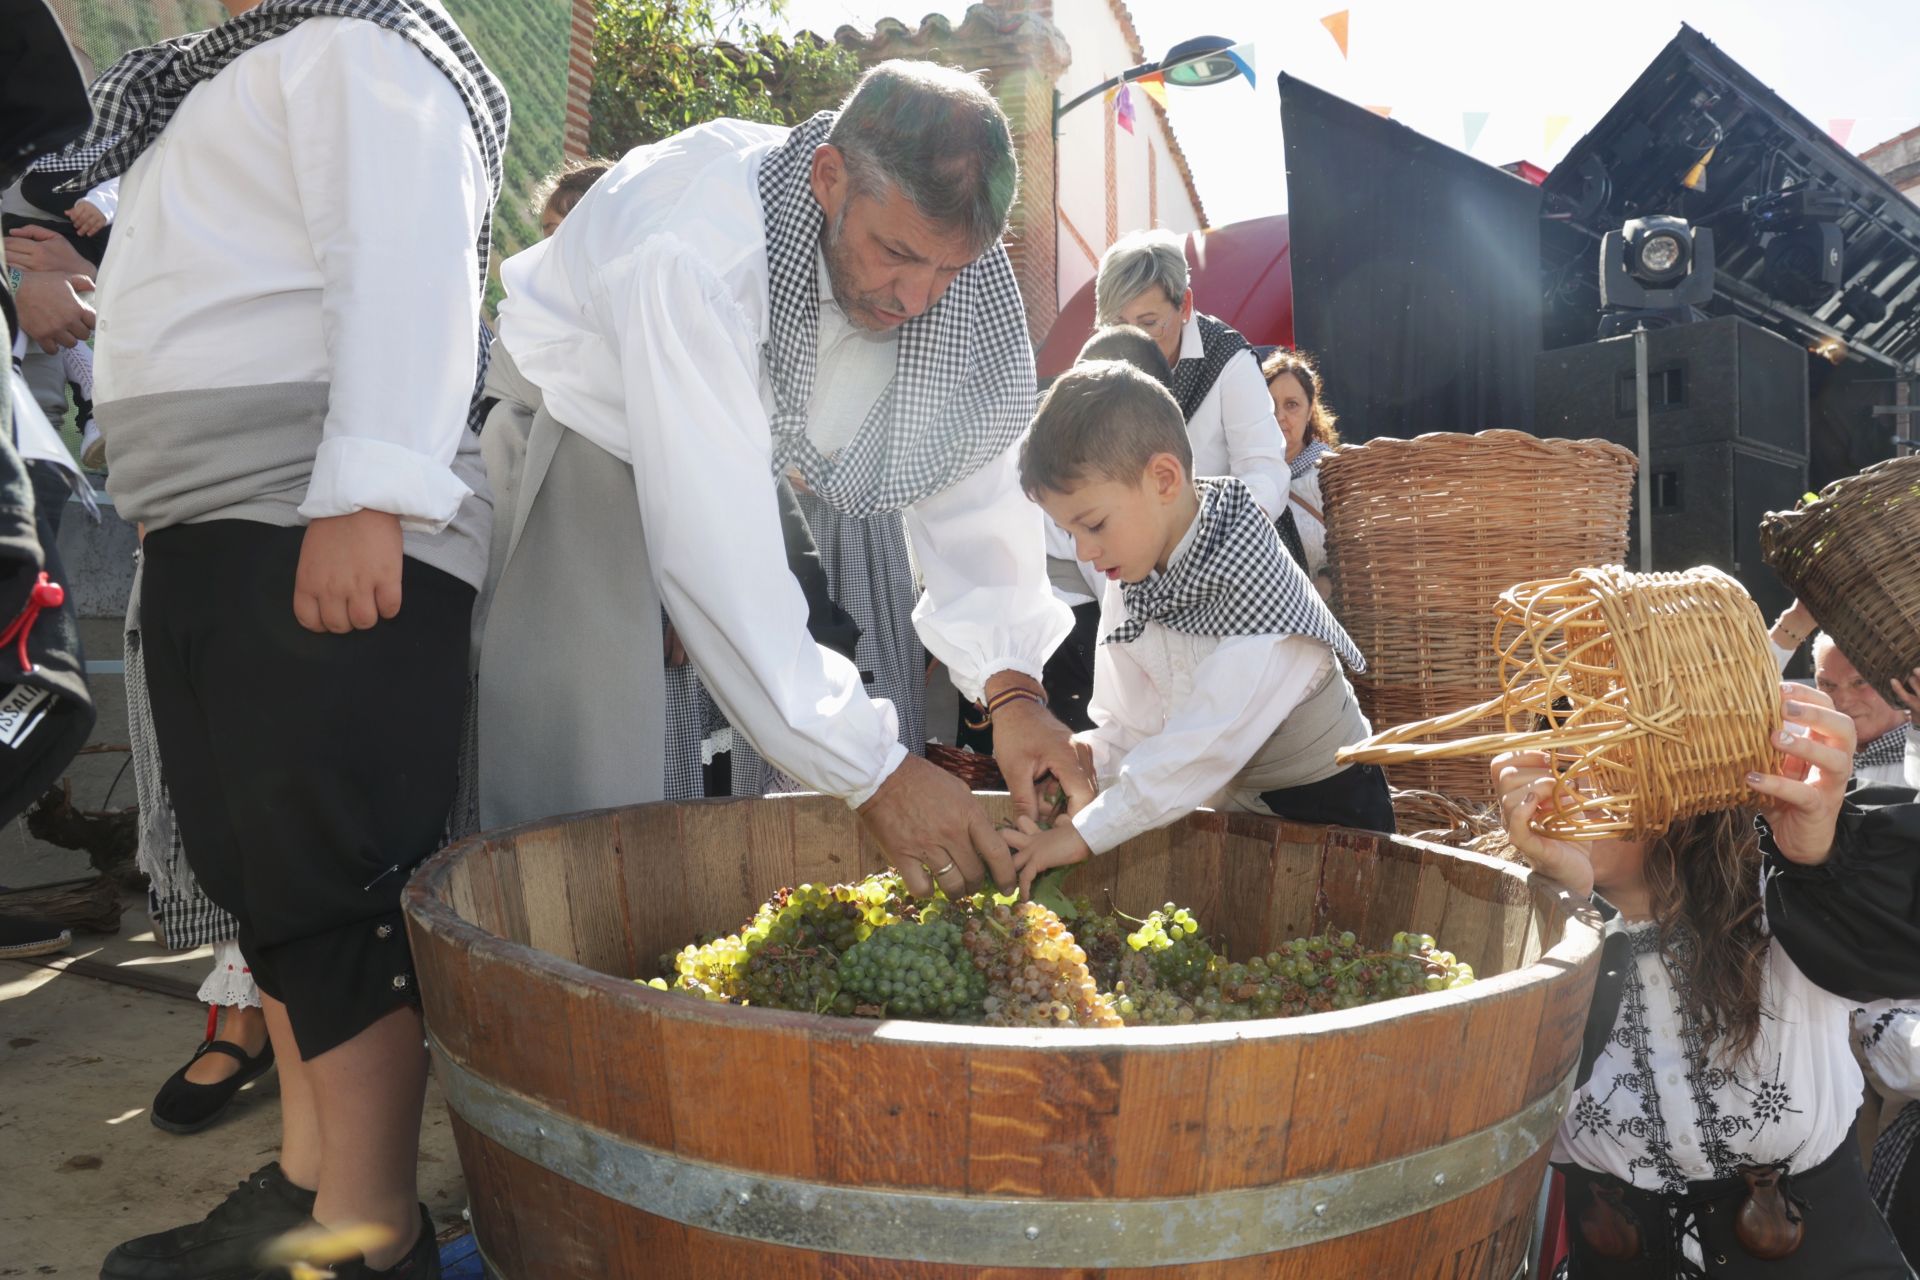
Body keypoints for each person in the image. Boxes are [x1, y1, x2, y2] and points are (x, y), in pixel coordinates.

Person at [81, 1, 510, 1276]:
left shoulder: (363, 47)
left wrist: (370, 490)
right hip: (233, 518)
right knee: (263, 880)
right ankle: (310, 1188)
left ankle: (366, 1234)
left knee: (335, 883)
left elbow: (406, 258)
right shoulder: (245, 68)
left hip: (313, 510)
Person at [482, 60, 1089, 900]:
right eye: (896, 255)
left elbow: (974, 487)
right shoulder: (696, 251)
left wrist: (1013, 688)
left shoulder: (954, 271)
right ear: (829, 178)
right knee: (583, 802)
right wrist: (876, 774)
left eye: (946, 271)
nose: (917, 297)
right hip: (585, 439)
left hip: (742, 456)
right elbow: (719, 565)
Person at [1492, 688, 1920, 1278]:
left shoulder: (1785, 900)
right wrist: (1569, 904)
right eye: (1560, 768)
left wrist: (1824, 853)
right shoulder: (1514, 937)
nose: (1573, 792)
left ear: (1681, 787)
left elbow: (1900, 951)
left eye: (1606, 766)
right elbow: (1509, 1109)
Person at [1005, 361, 1391, 895]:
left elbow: (1203, 744)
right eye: (1070, 532)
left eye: (1092, 524)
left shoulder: (1252, 575)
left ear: (1163, 479)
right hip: (1227, 807)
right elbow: (1132, 725)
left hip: (1332, 815)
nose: (1084, 553)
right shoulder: (1131, 573)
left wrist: (1085, 834)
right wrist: (1087, 759)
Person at [1093, 228, 1291, 520]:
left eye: (1148, 323)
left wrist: (1222, 535)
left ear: (1184, 305)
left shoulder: (1228, 359)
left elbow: (1262, 468)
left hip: (1226, 536)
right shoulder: (1099, 364)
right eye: (1118, 324)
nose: (1133, 341)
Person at [1767, 598, 1920, 787]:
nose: (1844, 701)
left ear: (1895, 680)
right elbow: (1735, 700)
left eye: (1859, 682)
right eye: (1827, 685)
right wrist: (1793, 623)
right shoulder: (1798, 737)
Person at [1260, 347, 1341, 598]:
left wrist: (1326, 584)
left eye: (1291, 405)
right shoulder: (1241, 479)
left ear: (1309, 411)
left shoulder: (1333, 473)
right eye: (1269, 405)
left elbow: (1360, 550)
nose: (1279, 416)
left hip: (1328, 620)